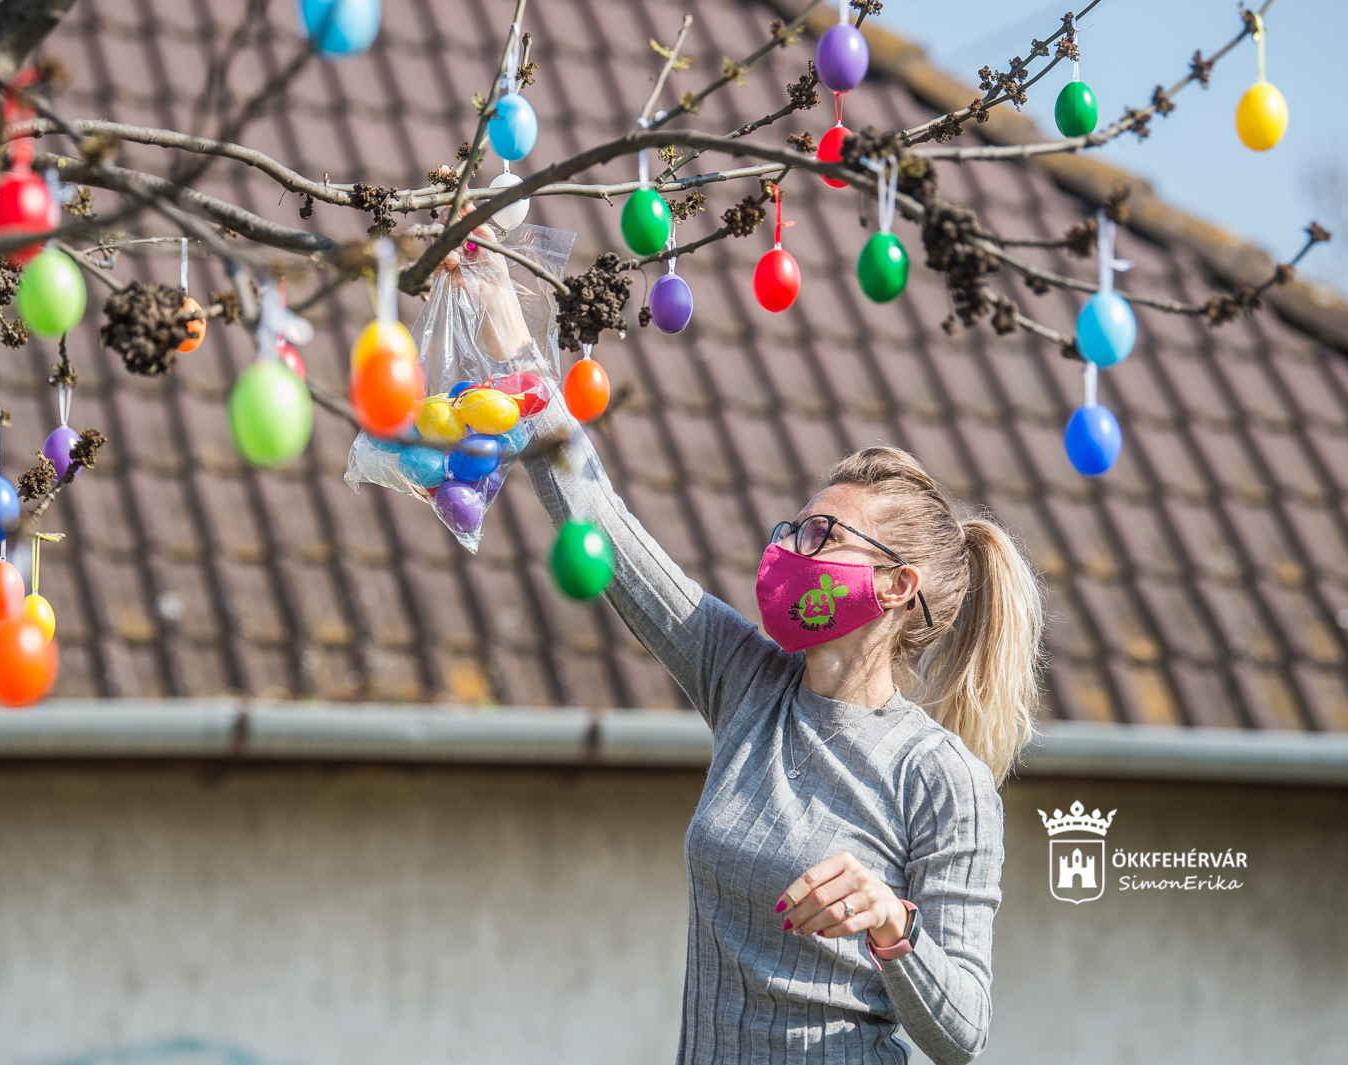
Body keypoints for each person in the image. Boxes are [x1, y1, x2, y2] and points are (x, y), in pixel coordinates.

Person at [441, 229, 1044, 1065]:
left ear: (900, 586)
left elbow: (963, 1034)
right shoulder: (746, 682)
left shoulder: (941, 777)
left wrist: (891, 922)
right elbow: (602, 524)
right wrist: (499, 305)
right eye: (789, 527)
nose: (788, 549)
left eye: (821, 534)